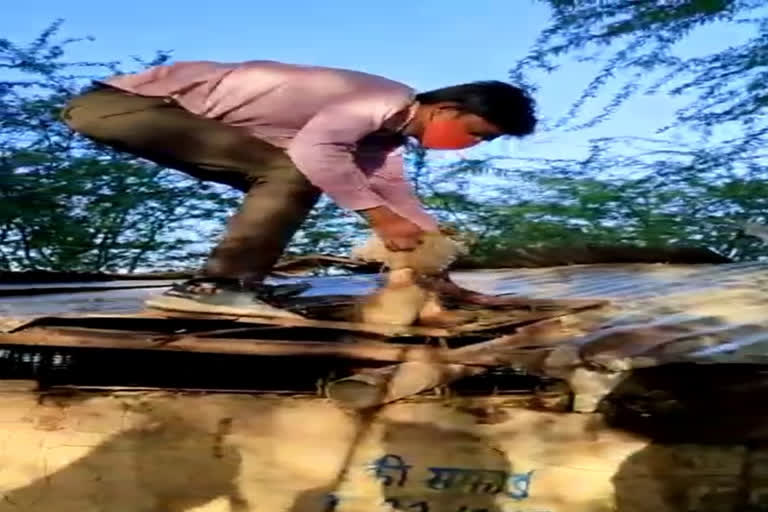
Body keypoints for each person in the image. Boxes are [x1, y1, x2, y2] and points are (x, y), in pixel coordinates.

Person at [61, 60, 537, 316]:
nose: (470, 145)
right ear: (447, 109)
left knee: (295, 176)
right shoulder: (382, 99)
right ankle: (217, 286)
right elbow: (319, 156)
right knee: (296, 170)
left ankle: (236, 282)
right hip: (124, 105)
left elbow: (397, 200)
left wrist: (439, 270)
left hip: (150, 112)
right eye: (476, 133)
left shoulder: (384, 136)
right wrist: (378, 219)